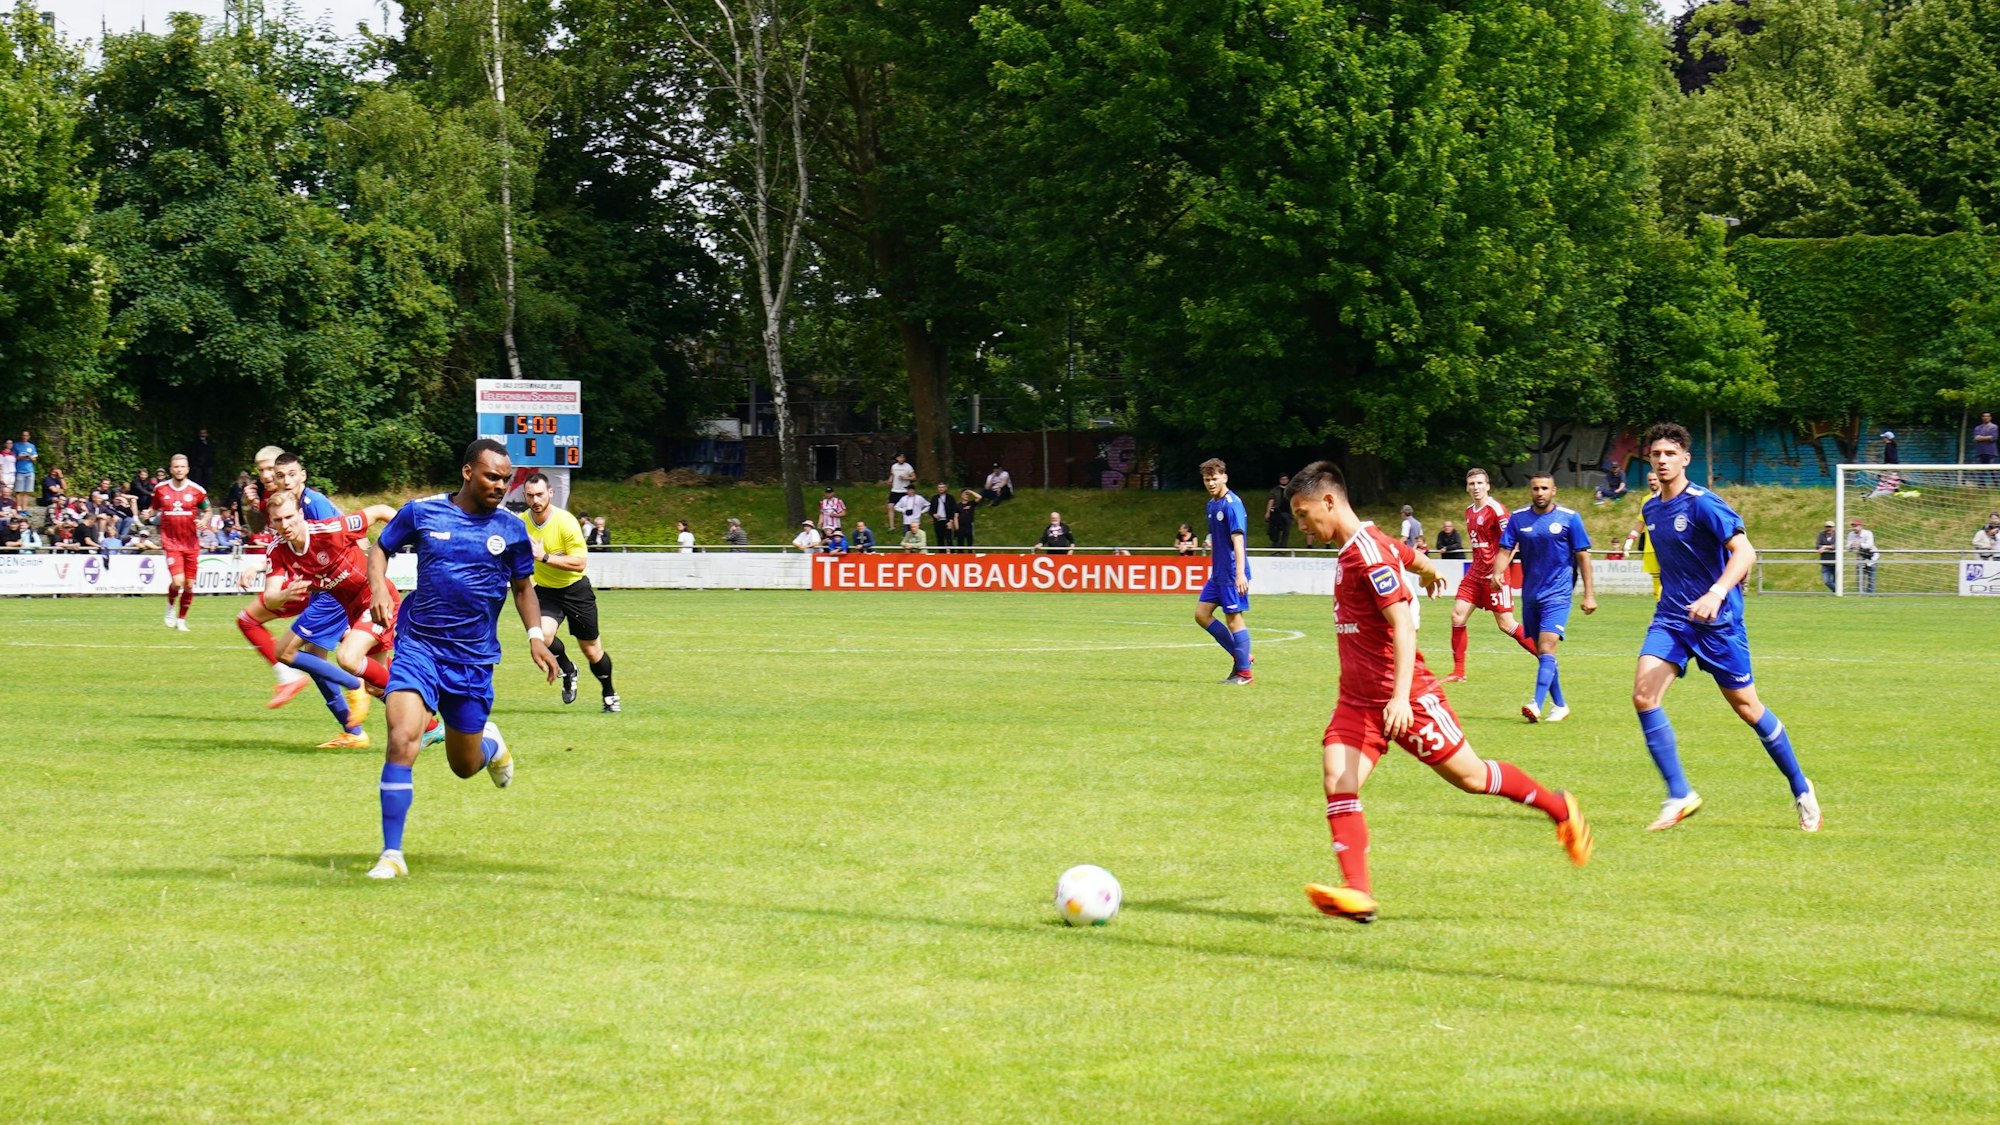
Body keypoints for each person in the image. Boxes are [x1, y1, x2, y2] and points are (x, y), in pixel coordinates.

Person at [1284, 460, 1592, 924]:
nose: (1303, 526)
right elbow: (1404, 555)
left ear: (1329, 501)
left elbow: (1403, 626)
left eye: (1304, 514)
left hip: (1408, 699)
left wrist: (1401, 697)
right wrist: (1428, 570)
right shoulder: (1366, 543)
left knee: (1471, 778)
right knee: (1337, 780)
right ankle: (1359, 894)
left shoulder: (1366, 553)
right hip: (1359, 700)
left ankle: (1559, 808)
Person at [362, 439, 558, 880]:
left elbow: (523, 589)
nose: (501, 486)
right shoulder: (423, 512)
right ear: (468, 472)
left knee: (464, 766)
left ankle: (491, 744)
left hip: (471, 660)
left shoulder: (511, 529)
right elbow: (380, 549)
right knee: (402, 738)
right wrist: (378, 587)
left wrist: (535, 637)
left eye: (506, 479)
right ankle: (392, 853)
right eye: (492, 476)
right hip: (419, 647)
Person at [1633, 421, 1818, 833]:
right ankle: (1680, 794)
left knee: (1748, 708)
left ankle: (1801, 786)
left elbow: (1745, 551)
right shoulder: (1650, 508)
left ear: (1685, 459)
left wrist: (1716, 592)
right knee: (1644, 696)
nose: (1662, 461)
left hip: (1718, 624)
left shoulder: (1703, 503)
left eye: (1669, 454)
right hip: (1672, 619)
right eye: (1656, 454)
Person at [254, 490, 403, 748]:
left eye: (289, 517)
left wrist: (417, 539)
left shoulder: (329, 529)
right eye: (278, 520)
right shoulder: (277, 549)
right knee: (375, 686)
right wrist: (283, 594)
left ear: (301, 514)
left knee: (347, 659)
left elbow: (379, 510)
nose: (285, 525)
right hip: (350, 606)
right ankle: (426, 719)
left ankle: (357, 690)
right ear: (271, 521)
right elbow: (270, 597)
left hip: (375, 597)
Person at [1492, 472, 1595, 723]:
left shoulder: (1570, 519)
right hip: (1531, 595)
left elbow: (1583, 556)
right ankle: (1559, 705)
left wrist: (1589, 594)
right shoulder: (1518, 519)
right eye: (1536, 488)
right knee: (1542, 651)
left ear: (1554, 491)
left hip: (1558, 594)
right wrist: (1497, 573)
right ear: (1531, 491)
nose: (1540, 492)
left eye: (1544, 488)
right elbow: (1506, 549)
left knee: (1547, 646)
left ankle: (1536, 703)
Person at [524, 471, 620, 713]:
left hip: (576, 590)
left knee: (592, 650)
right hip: (546, 591)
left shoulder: (566, 522)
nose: (535, 500)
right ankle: (567, 669)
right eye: (530, 495)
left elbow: (579, 562)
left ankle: (609, 693)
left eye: (540, 495)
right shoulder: (521, 522)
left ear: (550, 493)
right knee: (543, 636)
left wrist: (544, 557)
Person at [1446, 468, 1540, 683]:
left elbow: (1513, 541)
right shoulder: (1469, 511)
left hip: (1495, 576)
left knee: (1506, 624)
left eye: (1480, 483)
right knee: (1457, 616)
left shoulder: (1497, 510)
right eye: (1472, 484)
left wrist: (1499, 571)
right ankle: (1459, 672)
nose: (1476, 487)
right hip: (1474, 575)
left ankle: (1544, 655)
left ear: (1487, 485)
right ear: (1467, 487)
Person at [1194, 458, 1254, 684]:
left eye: (1214, 479)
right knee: (1201, 614)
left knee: (1233, 620)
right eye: (1207, 479)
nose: (1210, 483)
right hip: (1218, 574)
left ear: (1224, 477)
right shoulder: (1212, 505)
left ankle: (1245, 673)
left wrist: (1240, 574)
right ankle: (1243, 658)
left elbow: (1239, 542)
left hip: (1231, 574)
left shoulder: (1232, 504)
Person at [151, 453, 209, 631]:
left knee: (190, 585)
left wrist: (204, 520)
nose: (179, 469)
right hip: (171, 543)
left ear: (187, 469)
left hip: (191, 544)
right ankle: (170, 607)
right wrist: (147, 514)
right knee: (178, 582)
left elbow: (207, 510)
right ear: (171, 469)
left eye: (182, 467)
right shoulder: (161, 489)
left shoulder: (197, 490)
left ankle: (181, 620)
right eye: (176, 467)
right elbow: (153, 509)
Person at [1847, 517, 1877, 594]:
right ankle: (1861, 595)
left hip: (1871, 557)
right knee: (1860, 578)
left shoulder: (1868, 533)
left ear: (1861, 526)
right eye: (1853, 526)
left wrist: (1859, 544)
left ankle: (1871, 595)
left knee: (1871, 579)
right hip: (1860, 558)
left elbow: (1869, 545)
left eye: (1856, 526)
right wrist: (1851, 546)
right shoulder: (1851, 534)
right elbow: (1848, 547)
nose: (1854, 528)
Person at [886, 453, 917, 528]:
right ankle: (892, 526)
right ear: (897, 458)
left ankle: (907, 525)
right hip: (894, 490)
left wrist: (905, 478)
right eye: (900, 457)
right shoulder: (894, 466)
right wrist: (890, 481)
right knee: (890, 506)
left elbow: (914, 477)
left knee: (905, 509)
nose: (901, 459)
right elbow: (892, 475)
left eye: (903, 457)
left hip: (904, 491)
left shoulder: (908, 466)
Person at [928, 482, 960, 549]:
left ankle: (951, 555)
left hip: (947, 521)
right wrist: (934, 514)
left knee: (949, 539)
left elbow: (954, 510)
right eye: (939, 487)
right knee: (940, 539)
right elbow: (930, 510)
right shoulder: (934, 498)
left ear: (945, 488)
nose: (941, 489)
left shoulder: (950, 498)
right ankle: (941, 555)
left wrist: (951, 521)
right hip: (938, 521)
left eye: (942, 487)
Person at [1264, 474, 1292, 548]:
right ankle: (1275, 547)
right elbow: (1271, 500)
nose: (1284, 481)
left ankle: (1283, 547)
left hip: (1288, 513)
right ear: (1280, 480)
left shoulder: (1292, 490)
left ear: (1288, 480)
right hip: (1277, 513)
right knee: (1276, 531)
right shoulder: (1275, 490)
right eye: (1282, 479)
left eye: (1285, 479)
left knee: (1286, 531)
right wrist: (1268, 512)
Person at [1816, 520, 1838, 592]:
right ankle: (1838, 591)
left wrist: (1825, 547)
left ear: (1833, 528)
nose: (1829, 528)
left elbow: (1837, 546)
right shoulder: (1821, 534)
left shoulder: (1837, 535)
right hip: (1825, 562)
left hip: (1836, 562)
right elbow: (1817, 546)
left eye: (1830, 527)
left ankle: (1837, 594)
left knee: (1837, 581)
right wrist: (1822, 547)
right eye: (1827, 527)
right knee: (1826, 581)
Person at [12, 430, 35, 498]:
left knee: (27, 491)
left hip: (29, 470)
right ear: (21, 436)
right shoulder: (16, 445)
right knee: (18, 491)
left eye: (26, 435)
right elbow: (13, 458)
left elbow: (34, 459)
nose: (25, 437)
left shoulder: (32, 446)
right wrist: (21, 457)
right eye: (23, 435)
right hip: (20, 470)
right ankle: (19, 507)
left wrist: (30, 457)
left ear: (29, 437)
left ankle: (24, 508)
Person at [0, 441, 13, 508]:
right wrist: (1, 476)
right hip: (5, 475)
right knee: (3, 492)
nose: (9, 445)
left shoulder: (13, 454)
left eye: (11, 443)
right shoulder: (2, 453)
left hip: (12, 475)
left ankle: (7, 507)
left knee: (9, 492)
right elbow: (0, 465)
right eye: (8, 443)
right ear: (5, 444)